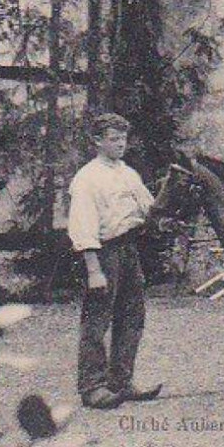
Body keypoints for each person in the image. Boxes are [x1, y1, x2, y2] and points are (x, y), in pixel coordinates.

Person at [67, 112, 163, 410]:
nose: (121, 144)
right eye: (113, 139)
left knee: (133, 316)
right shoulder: (87, 179)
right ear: (97, 141)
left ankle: (121, 381)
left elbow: (149, 208)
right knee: (97, 320)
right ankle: (92, 387)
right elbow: (83, 228)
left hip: (128, 250)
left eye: (123, 138)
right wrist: (94, 271)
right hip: (102, 253)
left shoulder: (128, 173)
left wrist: (161, 217)